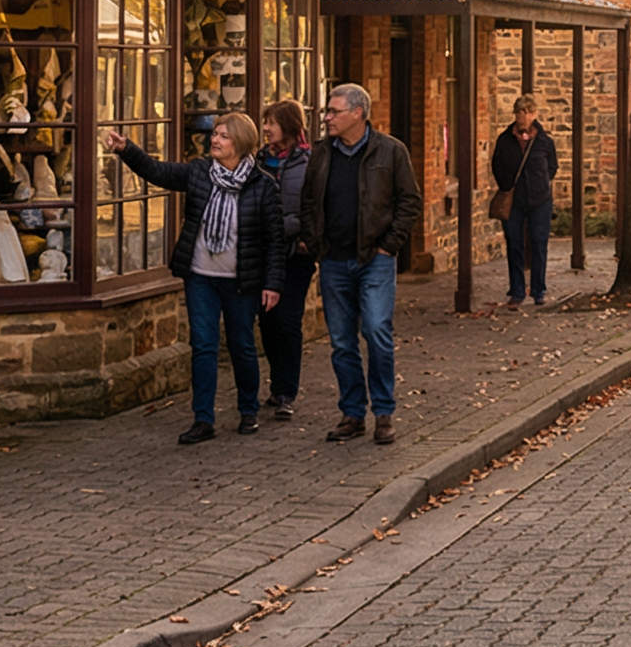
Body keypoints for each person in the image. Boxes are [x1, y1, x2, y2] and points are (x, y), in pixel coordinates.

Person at [104, 111, 285, 446]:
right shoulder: (201, 172)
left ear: (241, 143)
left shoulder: (262, 186)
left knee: (242, 345)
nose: (214, 140)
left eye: (223, 136)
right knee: (203, 346)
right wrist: (126, 148)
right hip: (200, 276)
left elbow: (275, 240)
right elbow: (159, 172)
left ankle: (248, 409)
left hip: (240, 281)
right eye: (214, 134)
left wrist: (273, 284)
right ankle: (203, 418)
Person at [300, 82, 423, 447]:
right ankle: (352, 413)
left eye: (334, 111)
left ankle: (383, 412)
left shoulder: (390, 151)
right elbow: (307, 200)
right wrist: (315, 242)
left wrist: (389, 246)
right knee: (341, 341)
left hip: (375, 260)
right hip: (335, 260)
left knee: (376, 332)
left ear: (358, 114)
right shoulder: (321, 154)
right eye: (327, 111)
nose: (327, 118)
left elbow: (409, 201)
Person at [257, 99, 313, 421]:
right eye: (265, 123)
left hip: (296, 255)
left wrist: (284, 227)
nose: (266, 128)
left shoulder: (309, 162)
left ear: (289, 126)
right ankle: (277, 384)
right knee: (267, 320)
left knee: (288, 320)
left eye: (272, 123)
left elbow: (313, 210)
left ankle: (287, 392)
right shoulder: (259, 161)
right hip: (265, 254)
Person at [491, 93, 559, 306]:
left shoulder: (544, 141)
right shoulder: (505, 140)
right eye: (520, 111)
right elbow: (497, 165)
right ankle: (517, 290)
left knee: (539, 243)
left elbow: (552, 166)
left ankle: (538, 290)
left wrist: (542, 184)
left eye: (529, 112)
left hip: (540, 200)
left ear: (535, 114)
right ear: (515, 114)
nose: (524, 116)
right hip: (514, 200)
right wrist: (506, 185)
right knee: (514, 244)